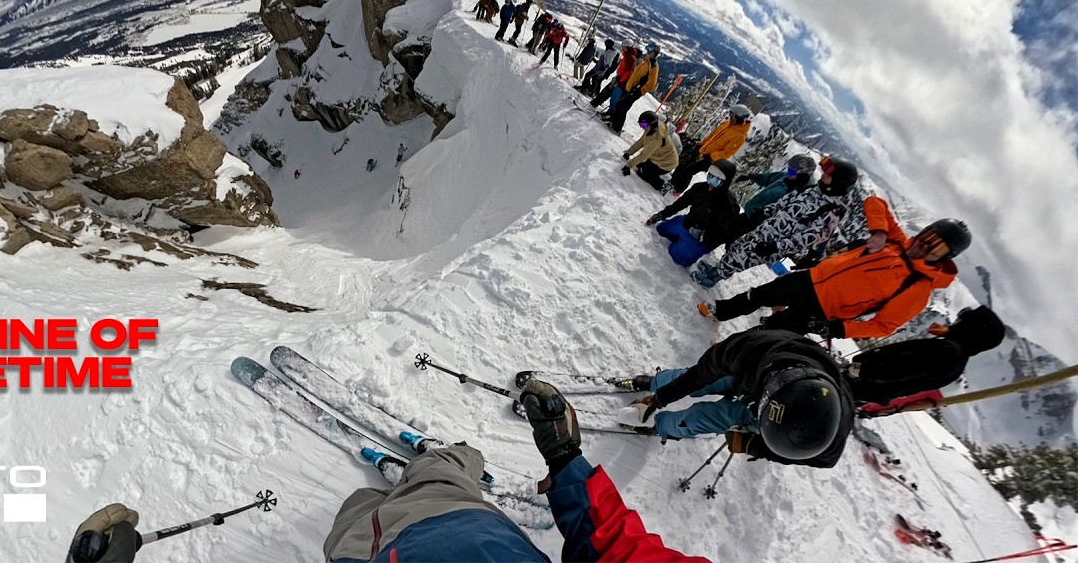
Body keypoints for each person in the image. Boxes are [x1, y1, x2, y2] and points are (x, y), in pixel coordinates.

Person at [66, 381, 710, 563]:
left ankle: (437, 463)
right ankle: (438, 465)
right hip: (460, 531)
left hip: (447, 526)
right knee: (371, 510)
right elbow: (617, 550)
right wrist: (568, 465)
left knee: (367, 507)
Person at [699, 204, 970, 340]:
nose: (924, 246)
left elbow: (883, 326)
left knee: (772, 329)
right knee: (759, 294)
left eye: (935, 249)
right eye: (928, 237)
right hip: (811, 277)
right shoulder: (897, 241)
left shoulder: (918, 288)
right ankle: (721, 311)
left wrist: (839, 330)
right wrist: (879, 231)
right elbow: (876, 203)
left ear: (943, 258)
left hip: (825, 310)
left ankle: (727, 349)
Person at [629, 328, 853, 468]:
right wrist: (661, 397)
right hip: (750, 370)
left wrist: (755, 446)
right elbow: (699, 375)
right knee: (697, 382)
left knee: (703, 419)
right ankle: (656, 383)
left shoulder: (831, 432)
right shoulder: (749, 348)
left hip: (766, 406)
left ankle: (664, 426)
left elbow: (824, 460)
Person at [690, 156, 859, 288]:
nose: (823, 175)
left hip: (776, 243)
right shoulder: (814, 190)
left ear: (838, 181)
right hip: (765, 228)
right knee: (737, 247)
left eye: (828, 175)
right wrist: (765, 212)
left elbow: (809, 238)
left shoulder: (833, 210)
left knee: (742, 259)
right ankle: (716, 269)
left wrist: (776, 247)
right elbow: (785, 202)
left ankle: (712, 279)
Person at [848, 306, 1004, 408]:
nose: (956, 321)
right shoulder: (955, 354)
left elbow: (899, 369)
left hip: (859, 383)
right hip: (864, 387)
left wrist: (862, 371)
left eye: (962, 319)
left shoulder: (949, 352)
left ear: (971, 329)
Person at [645, 160, 743, 267]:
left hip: (701, 240)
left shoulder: (729, 204)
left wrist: (705, 236)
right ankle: (681, 238)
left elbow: (727, 233)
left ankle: (689, 247)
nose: (711, 178)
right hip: (686, 223)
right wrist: (661, 215)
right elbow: (681, 203)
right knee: (661, 229)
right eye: (710, 174)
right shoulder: (700, 188)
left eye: (716, 177)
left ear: (725, 181)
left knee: (676, 255)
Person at [669, 105, 752, 194]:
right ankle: (673, 181)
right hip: (702, 150)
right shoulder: (727, 124)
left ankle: (678, 189)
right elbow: (712, 136)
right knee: (684, 164)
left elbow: (726, 153)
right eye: (731, 115)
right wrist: (700, 145)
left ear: (740, 118)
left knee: (689, 170)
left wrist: (708, 156)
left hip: (710, 159)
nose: (731, 118)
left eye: (733, 116)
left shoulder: (740, 136)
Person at [602, 44, 659, 133]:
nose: (648, 53)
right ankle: (613, 122)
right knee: (619, 105)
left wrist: (640, 90)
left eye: (650, 52)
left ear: (655, 53)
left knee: (623, 108)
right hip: (630, 88)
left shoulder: (653, 66)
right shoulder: (647, 62)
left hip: (636, 91)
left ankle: (617, 127)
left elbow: (651, 84)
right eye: (648, 51)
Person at [622, 111, 679, 189]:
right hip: (658, 156)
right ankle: (652, 169)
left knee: (642, 173)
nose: (643, 127)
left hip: (667, 163)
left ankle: (662, 184)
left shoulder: (657, 138)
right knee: (639, 165)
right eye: (641, 125)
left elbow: (644, 155)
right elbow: (641, 142)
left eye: (644, 125)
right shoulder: (651, 129)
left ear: (652, 123)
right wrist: (628, 153)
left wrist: (628, 166)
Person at [590, 41, 638, 109]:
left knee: (608, 92)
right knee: (607, 90)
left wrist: (620, 79)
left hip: (621, 80)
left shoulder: (631, 58)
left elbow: (629, 72)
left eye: (623, 47)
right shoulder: (626, 55)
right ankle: (595, 102)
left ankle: (596, 103)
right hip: (618, 77)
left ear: (628, 48)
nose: (622, 49)